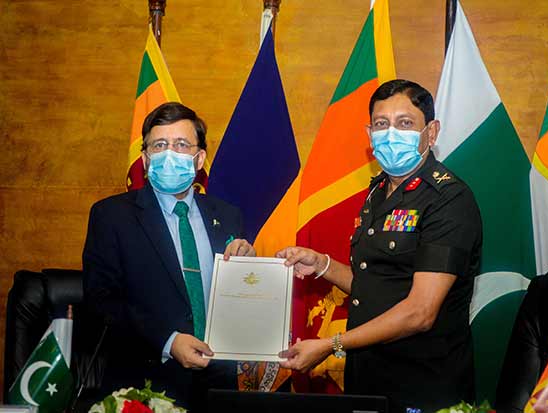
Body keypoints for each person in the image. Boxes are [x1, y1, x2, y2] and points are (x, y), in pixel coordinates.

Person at [277, 79, 483, 413]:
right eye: (381, 124)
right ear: (369, 132)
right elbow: (375, 284)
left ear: (431, 133)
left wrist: (332, 344)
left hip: (423, 385)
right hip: (369, 378)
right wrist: (323, 265)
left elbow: (419, 313)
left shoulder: (449, 200)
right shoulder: (378, 192)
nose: (390, 134)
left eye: (405, 124)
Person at [83, 102, 255, 410]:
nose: (169, 153)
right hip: (145, 386)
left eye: (181, 145)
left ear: (199, 157)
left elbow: (238, 300)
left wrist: (247, 269)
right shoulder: (112, 216)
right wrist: (169, 340)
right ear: (146, 159)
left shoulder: (228, 216)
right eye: (159, 145)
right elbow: (101, 300)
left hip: (219, 386)